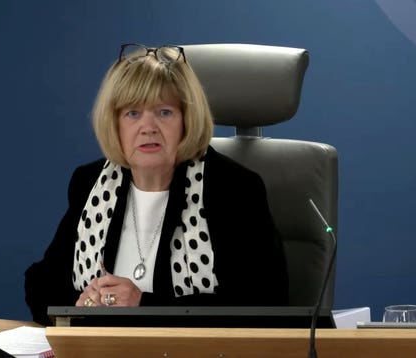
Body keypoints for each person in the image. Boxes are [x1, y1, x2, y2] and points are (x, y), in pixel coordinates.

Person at [24, 43, 288, 326]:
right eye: (132, 113)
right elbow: (40, 285)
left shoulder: (234, 188)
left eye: (164, 112)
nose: (148, 127)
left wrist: (143, 306)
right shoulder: (91, 183)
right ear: (114, 124)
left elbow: (263, 303)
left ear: (187, 121)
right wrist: (81, 304)